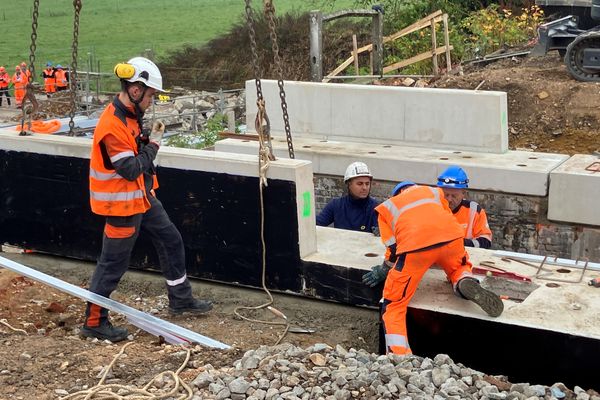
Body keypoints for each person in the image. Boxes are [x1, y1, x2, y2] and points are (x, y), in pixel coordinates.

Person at [82, 56, 213, 342]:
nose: (152, 101)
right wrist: (152, 146)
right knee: (112, 264)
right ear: (136, 90)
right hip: (121, 205)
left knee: (171, 239)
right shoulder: (112, 124)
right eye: (151, 95)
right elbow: (129, 169)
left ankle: (181, 299)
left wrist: (142, 142)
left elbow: (132, 156)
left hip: (141, 197)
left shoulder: (129, 116)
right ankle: (94, 321)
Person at [363, 181, 503, 355]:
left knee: (394, 304)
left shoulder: (389, 206)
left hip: (416, 250)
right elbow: (446, 215)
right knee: (458, 267)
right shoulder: (433, 192)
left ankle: (399, 355)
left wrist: (385, 269)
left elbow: (393, 249)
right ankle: (463, 282)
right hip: (452, 240)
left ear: (396, 194)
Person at [437, 166, 492, 249]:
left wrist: (461, 243)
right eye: (446, 195)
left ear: (463, 193)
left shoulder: (474, 211)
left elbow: (486, 241)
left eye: (454, 196)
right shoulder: (432, 208)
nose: (449, 199)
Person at [316, 161, 379, 233]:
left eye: (367, 184)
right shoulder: (336, 205)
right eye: (359, 184)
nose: (364, 188)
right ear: (349, 184)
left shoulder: (375, 208)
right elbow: (317, 223)